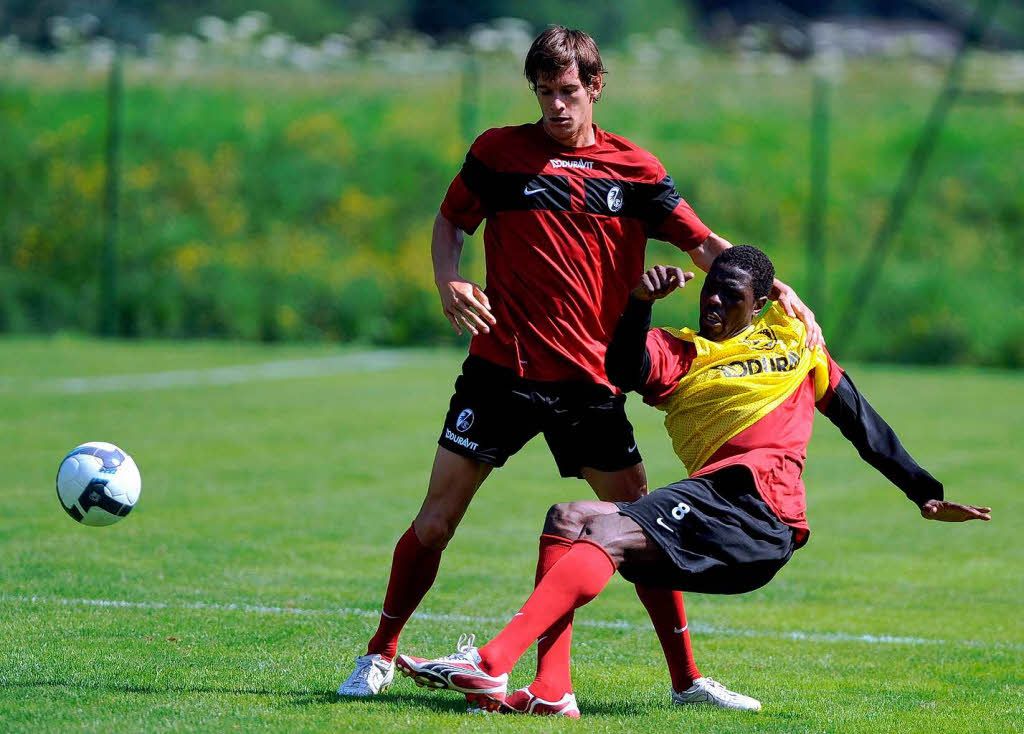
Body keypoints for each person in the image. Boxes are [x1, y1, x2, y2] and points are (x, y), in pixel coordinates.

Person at [338, 26, 821, 714]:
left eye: (568, 92)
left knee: (644, 529)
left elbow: (708, 242)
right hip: (499, 373)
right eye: (544, 93)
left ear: (595, 88)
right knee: (436, 521)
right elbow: (451, 220)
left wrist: (778, 287)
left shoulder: (637, 170)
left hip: (590, 384)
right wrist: (449, 282)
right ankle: (378, 656)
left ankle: (686, 682)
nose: (556, 107)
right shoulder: (499, 154)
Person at [394, 246, 992, 714]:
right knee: (569, 518)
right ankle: (552, 690)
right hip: (718, 505)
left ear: (759, 305)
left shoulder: (797, 344)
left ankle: (492, 660)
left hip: (761, 512)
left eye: (730, 297)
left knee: (606, 530)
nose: (713, 305)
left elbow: (862, 420)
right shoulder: (680, 352)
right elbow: (622, 368)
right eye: (710, 293)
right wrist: (638, 305)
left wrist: (926, 494)